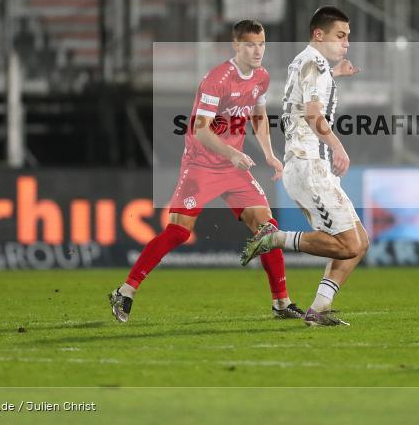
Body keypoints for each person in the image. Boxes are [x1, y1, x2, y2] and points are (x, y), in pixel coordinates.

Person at [109, 20, 303, 322]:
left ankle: (282, 303)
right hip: (201, 165)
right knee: (177, 233)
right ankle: (125, 291)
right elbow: (201, 131)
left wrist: (269, 154)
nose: (257, 50)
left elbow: (259, 116)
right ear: (236, 46)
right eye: (250, 44)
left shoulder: (262, 77)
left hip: (233, 167)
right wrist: (233, 152)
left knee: (268, 231)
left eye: (262, 44)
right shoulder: (216, 80)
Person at [240, 6, 369, 327]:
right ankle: (274, 239)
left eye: (348, 37)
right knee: (348, 245)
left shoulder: (308, 63)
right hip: (309, 166)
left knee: (360, 243)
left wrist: (335, 74)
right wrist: (338, 147)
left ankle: (319, 309)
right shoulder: (314, 64)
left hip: (309, 167)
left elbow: (302, 95)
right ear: (318, 34)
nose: (346, 43)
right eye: (340, 36)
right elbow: (312, 113)